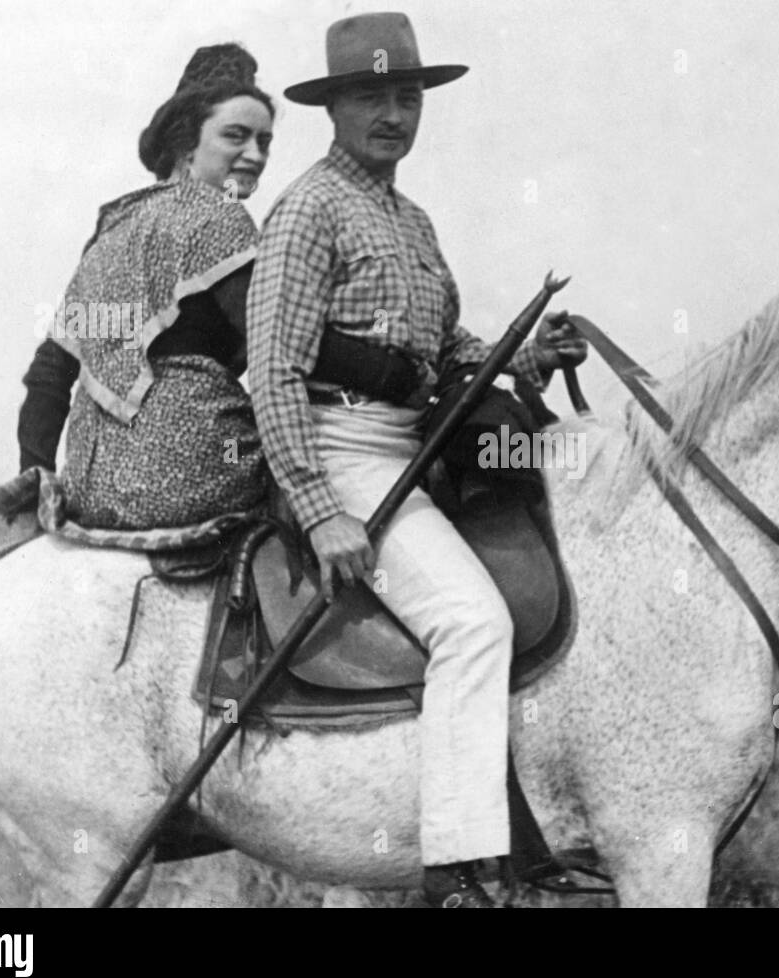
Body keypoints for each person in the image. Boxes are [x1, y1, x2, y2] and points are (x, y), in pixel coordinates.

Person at [247, 12, 588, 908]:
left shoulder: (414, 219)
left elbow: (442, 346)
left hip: (415, 439)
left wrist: (522, 359)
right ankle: (460, 869)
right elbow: (272, 369)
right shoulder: (308, 209)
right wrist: (320, 507)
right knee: (474, 621)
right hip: (342, 447)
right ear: (336, 107)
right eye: (372, 94)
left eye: (407, 94)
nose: (394, 113)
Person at [14, 43, 274, 529]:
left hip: (88, 487)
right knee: (306, 460)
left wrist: (36, 475)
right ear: (186, 142)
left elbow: (50, 372)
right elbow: (281, 348)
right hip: (196, 469)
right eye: (236, 136)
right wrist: (394, 377)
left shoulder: (112, 230)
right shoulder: (220, 218)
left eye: (264, 141)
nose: (255, 155)